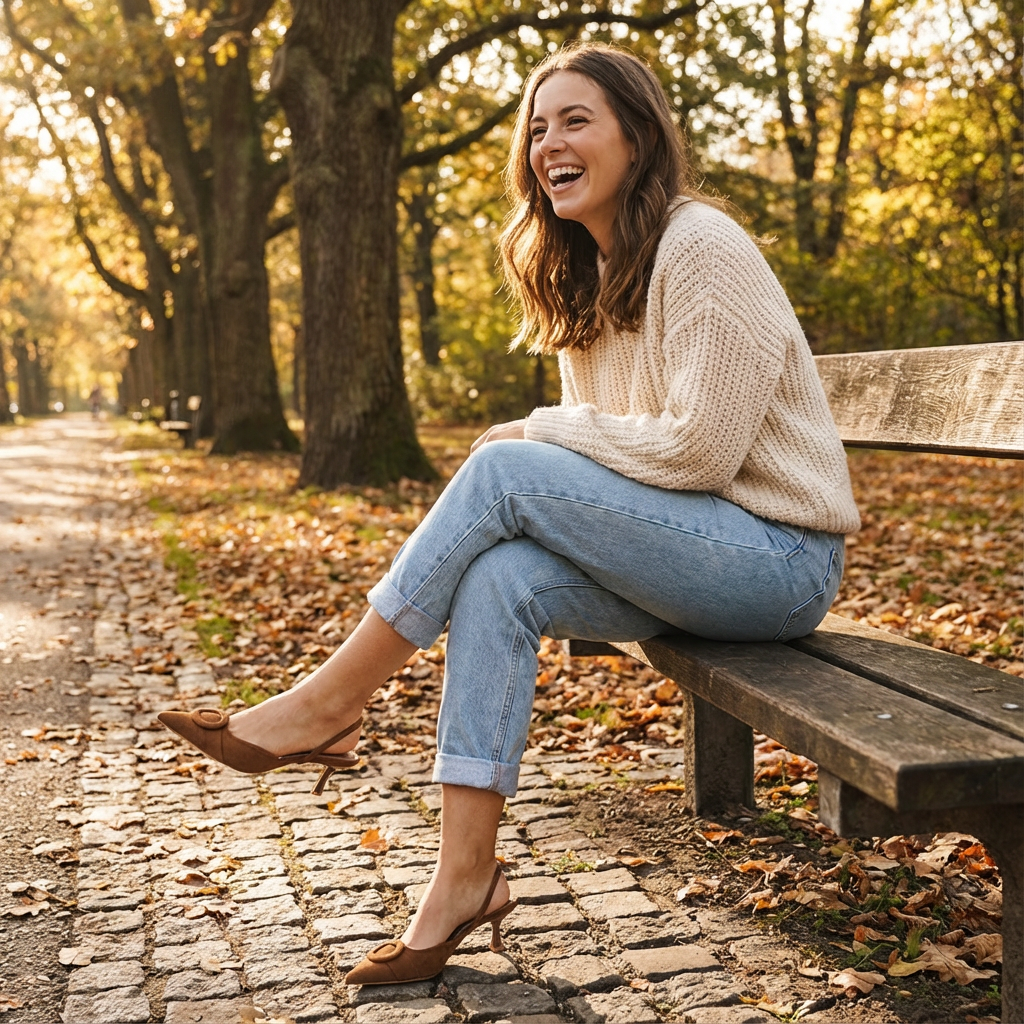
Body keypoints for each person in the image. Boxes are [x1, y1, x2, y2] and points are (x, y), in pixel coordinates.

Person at [158, 42, 860, 985]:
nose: (549, 143)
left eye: (576, 121)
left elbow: (698, 452)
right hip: (690, 552)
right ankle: (464, 879)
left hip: (777, 562)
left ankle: (329, 704)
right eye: (537, 129)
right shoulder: (589, 270)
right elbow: (614, 455)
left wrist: (541, 429)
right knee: (500, 578)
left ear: (638, 136)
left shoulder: (701, 246)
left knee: (506, 470)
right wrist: (553, 437)